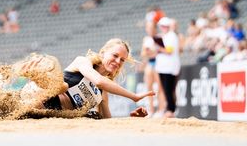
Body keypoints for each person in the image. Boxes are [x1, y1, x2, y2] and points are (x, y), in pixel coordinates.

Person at [15, 38, 155, 119]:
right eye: (115, 56)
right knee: (62, 83)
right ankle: (33, 72)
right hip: (36, 96)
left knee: (91, 115)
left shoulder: (102, 94)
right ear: (103, 53)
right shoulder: (82, 62)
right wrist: (134, 96)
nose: (118, 61)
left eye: (122, 60)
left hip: (48, 113)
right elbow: (99, 80)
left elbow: (107, 123)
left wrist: (132, 119)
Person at [154, 17, 180, 118]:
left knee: (169, 89)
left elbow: (169, 51)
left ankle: (171, 109)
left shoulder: (171, 36)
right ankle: (169, 108)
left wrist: (159, 49)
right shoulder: (165, 36)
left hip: (169, 67)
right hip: (163, 67)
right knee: (166, 89)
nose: (163, 28)